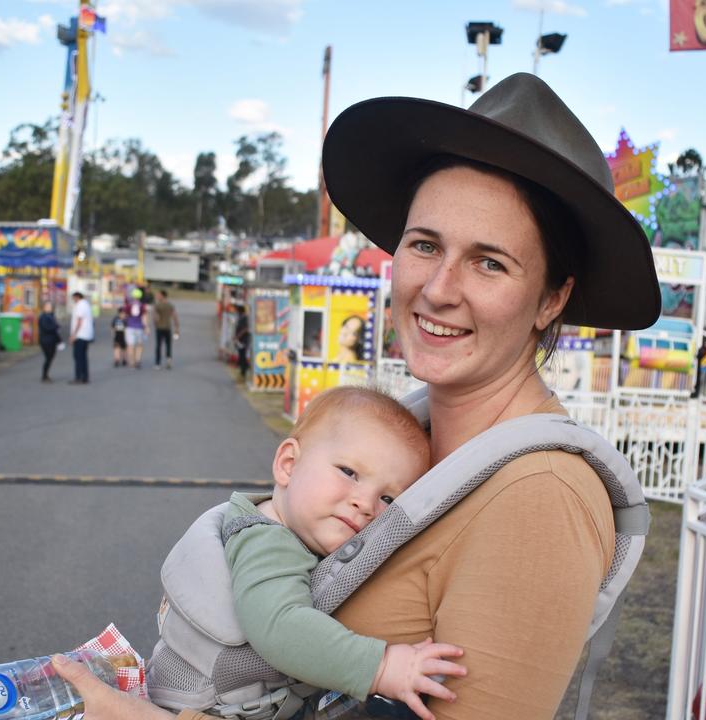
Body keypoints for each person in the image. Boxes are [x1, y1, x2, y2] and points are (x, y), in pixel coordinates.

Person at [51, 72, 661, 719]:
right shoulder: (415, 446)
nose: (439, 288)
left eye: (490, 262)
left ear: (551, 298)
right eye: (425, 245)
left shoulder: (538, 499)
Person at [202, 386, 463, 720]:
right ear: (288, 463)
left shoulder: (287, 525)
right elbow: (279, 626)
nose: (365, 503)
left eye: (388, 499)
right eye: (349, 472)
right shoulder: (267, 542)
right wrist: (380, 667)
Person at [151, 289, 181, 370]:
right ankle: (168, 360)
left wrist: (155, 322)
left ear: (162, 296)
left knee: (158, 346)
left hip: (159, 328)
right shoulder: (170, 305)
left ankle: (157, 363)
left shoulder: (157, 305)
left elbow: (154, 317)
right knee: (168, 345)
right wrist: (177, 328)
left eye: (158, 295)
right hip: (167, 328)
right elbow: (175, 317)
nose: (157, 296)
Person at [69, 291, 94, 384]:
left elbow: (79, 321)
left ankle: (78, 377)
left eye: (73, 299)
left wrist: (73, 335)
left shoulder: (80, 305)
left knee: (78, 357)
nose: (73, 301)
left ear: (77, 297)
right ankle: (85, 377)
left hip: (80, 335)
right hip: (86, 335)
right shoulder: (86, 305)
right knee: (83, 357)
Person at [38, 302, 61, 383]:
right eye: (48, 306)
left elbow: (55, 330)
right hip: (45, 340)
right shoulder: (43, 317)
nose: (50, 308)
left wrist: (59, 340)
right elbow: (47, 328)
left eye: (50, 306)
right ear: (44, 308)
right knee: (48, 357)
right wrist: (56, 326)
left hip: (52, 340)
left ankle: (45, 374)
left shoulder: (51, 316)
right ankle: (44, 375)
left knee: (50, 357)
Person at [125, 287, 147, 369]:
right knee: (139, 345)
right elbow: (144, 317)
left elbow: (125, 316)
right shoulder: (142, 306)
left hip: (130, 327)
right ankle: (138, 360)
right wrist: (146, 327)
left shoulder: (128, 305)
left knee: (130, 345)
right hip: (139, 327)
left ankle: (132, 361)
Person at [232, 304, 251, 382]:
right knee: (241, 356)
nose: (236, 312)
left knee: (242, 357)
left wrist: (238, 336)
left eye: (237, 310)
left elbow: (245, 329)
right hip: (240, 341)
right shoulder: (241, 318)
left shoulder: (244, 318)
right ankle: (243, 371)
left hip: (243, 340)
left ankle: (243, 373)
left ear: (240, 311)